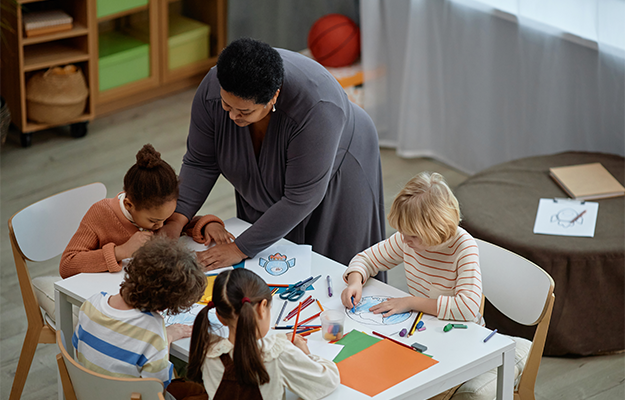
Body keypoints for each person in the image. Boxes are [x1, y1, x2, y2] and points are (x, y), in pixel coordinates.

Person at [161, 37, 385, 272]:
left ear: (274, 97)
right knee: (269, 269)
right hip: (300, 174)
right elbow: (200, 162)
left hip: (342, 162)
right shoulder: (213, 89)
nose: (232, 117)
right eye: (227, 106)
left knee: (333, 269)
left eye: (244, 111)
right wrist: (178, 218)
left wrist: (240, 248)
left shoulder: (317, 108)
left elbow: (300, 198)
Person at [60, 143, 232, 278]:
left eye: (166, 218)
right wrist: (121, 251)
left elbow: (182, 224)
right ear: (129, 205)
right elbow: (67, 265)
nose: (161, 226)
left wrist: (209, 224)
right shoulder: (101, 214)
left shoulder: (161, 212)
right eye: (153, 221)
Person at [341, 172, 483, 323]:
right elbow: (366, 259)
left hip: (461, 332)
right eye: (402, 232)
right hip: (426, 324)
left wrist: (410, 302)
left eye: (413, 236)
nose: (405, 240)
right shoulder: (407, 240)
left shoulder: (463, 247)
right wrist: (355, 282)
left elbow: (467, 308)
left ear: (437, 229)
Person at [72, 236, 207, 392]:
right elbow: (157, 388)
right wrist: (167, 338)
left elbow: (78, 350)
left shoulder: (92, 303)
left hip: (88, 393)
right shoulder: (153, 333)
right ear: (166, 304)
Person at [186, 268, 340, 400]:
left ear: (220, 317)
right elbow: (328, 382)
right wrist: (305, 353)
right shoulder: (276, 354)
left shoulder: (207, 349)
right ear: (262, 307)